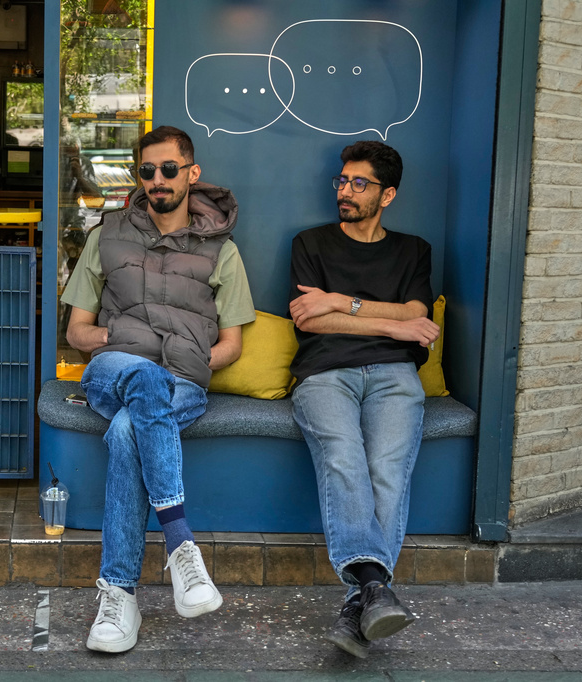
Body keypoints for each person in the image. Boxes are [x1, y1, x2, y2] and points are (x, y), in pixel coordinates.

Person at [61, 125, 256, 653]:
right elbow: (77, 331)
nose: (157, 180)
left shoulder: (223, 251)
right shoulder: (108, 234)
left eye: (169, 169)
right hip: (113, 370)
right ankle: (180, 544)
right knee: (141, 377)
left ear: (191, 173)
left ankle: (119, 594)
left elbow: (233, 345)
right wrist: (120, 339)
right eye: (147, 170)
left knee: (129, 428)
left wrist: (188, 363)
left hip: (180, 382)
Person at [287, 140, 440, 659]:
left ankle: (361, 601)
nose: (345, 192)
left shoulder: (413, 250)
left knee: (388, 469)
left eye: (359, 184)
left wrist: (340, 302)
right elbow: (310, 319)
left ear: (387, 194)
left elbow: (420, 317)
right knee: (343, 456)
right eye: (342, 181)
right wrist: (382, 319)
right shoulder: (310, 242)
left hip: (395, 375)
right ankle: (375, 588)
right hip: (325, 373)